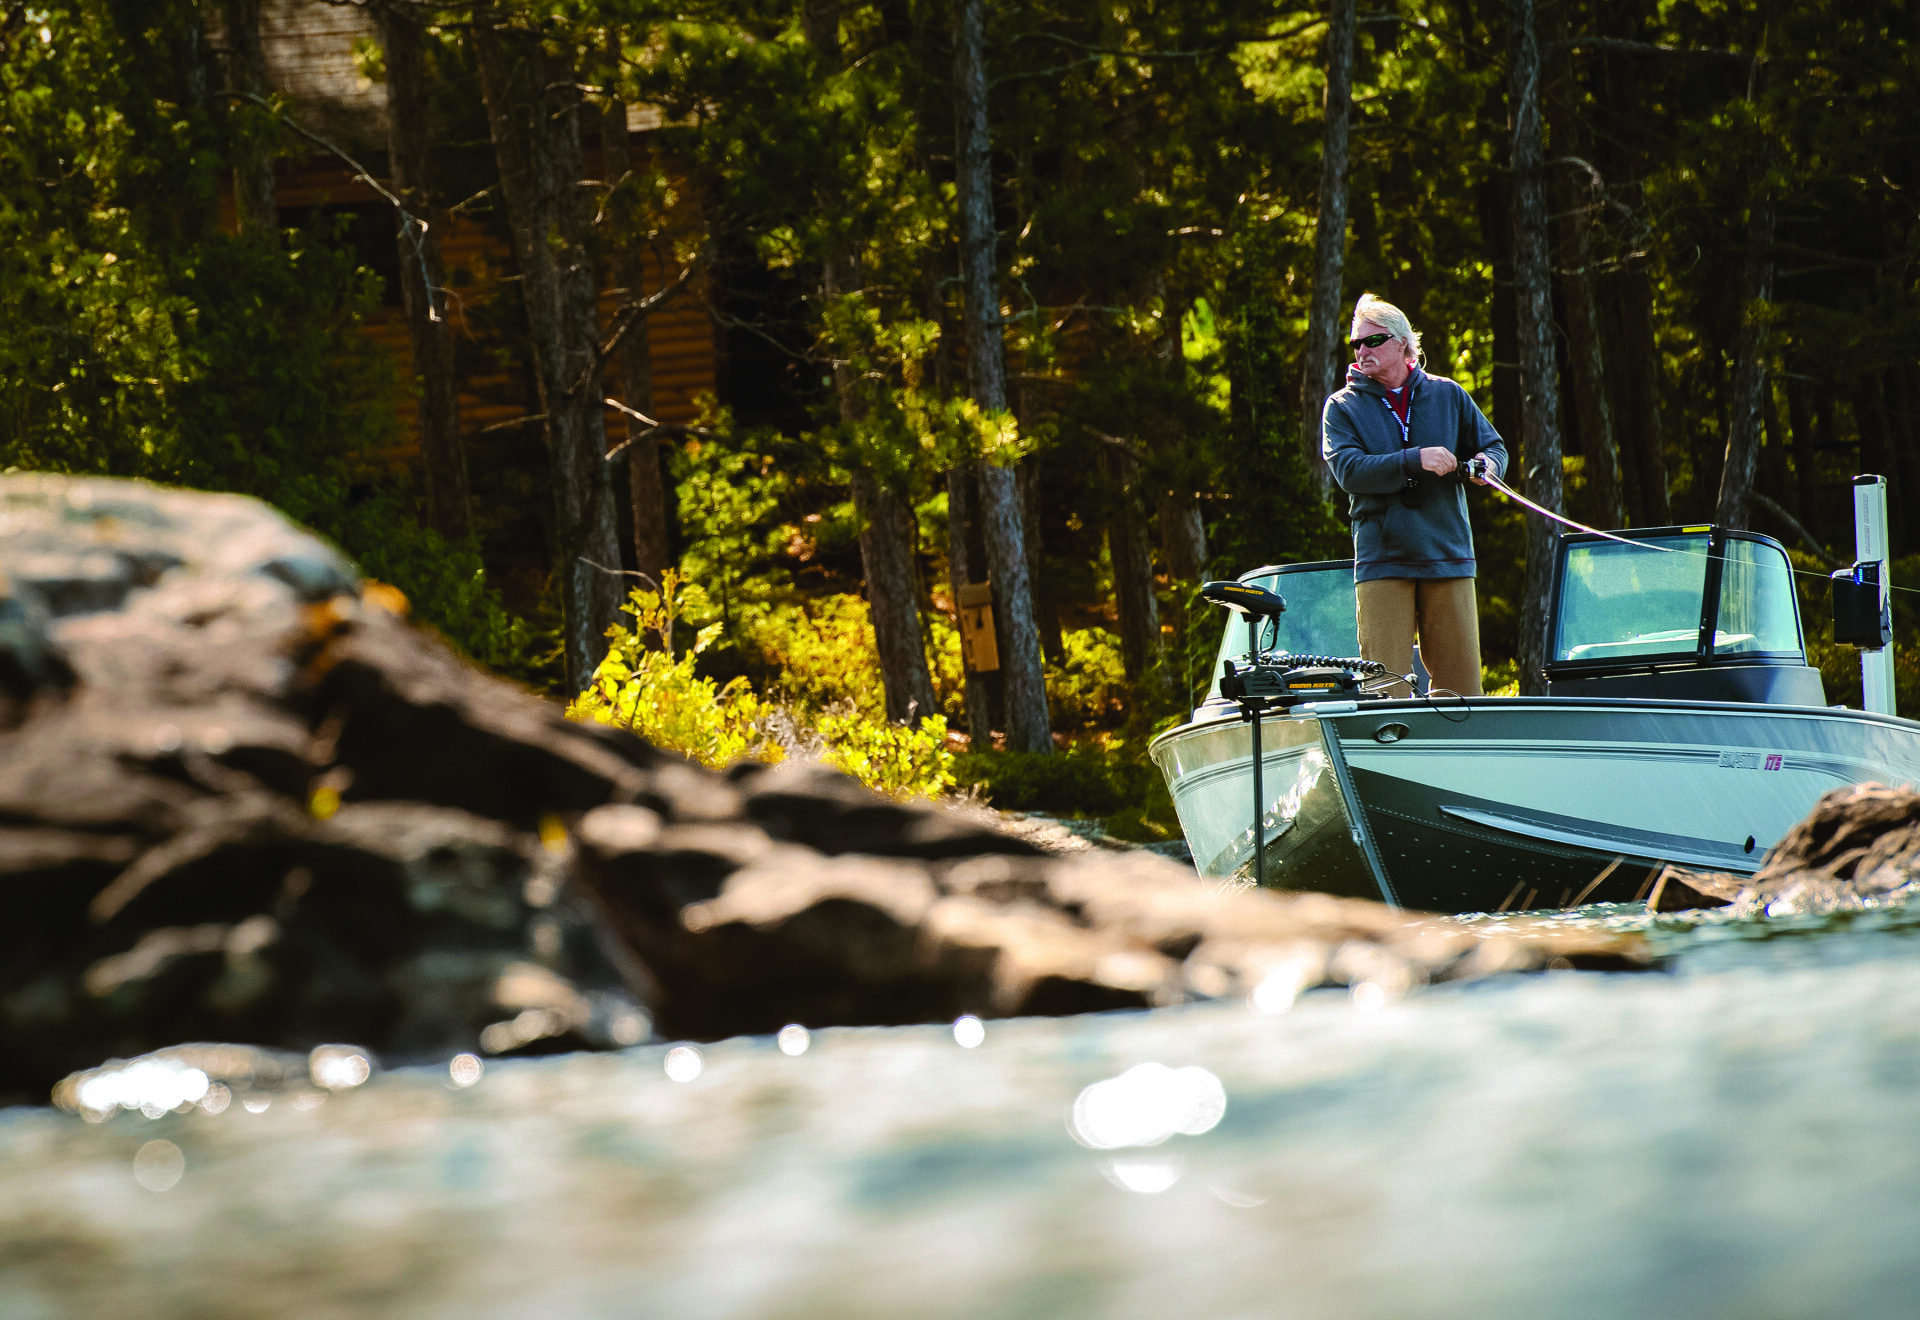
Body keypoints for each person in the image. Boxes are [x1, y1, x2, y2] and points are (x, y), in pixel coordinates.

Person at [1320, 293, 1507, 697]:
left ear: (1402, 342)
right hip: (1383, 560)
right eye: (1356, 343)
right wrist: (1414, 459)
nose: (1362, 350)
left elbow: (1494, 447)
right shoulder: (1341, 407)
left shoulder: (1448, 394)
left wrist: (1487, 466)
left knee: (1463, 694)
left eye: (1372, 340)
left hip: (1448, 556)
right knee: (1385, 692)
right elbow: (1349, 471)